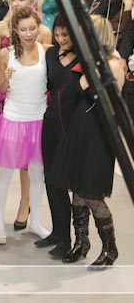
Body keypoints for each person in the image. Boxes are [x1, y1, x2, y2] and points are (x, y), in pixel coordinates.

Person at [49, 14, 125, 269]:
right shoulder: (88, 62)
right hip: (80, 127)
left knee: (92, 192)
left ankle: (110, 248)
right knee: (78, 188)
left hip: (100, 132)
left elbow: (112, 105)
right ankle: (81, 243)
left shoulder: (113, 65)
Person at [0, 0, 51, 233]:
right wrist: (5, 79)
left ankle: (35, 221)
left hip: (39, 120)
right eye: (23, 29)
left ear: (37, 28)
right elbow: (2, 88)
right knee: (4, 173)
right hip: (13, 119)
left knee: (36, 174)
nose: (28, 33)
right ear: (16, 30)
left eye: (32, 29)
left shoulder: (46, 50)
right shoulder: (7, 54)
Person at [34, 15, 80, 260]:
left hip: (72, 129)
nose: (61, 39)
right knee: (51, 180)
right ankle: (58, 233)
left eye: (66, 35)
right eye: (58, 34)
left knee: (67, 184)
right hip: (49, 124)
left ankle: (71, 240)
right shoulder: (50, 53)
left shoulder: (84, 59)